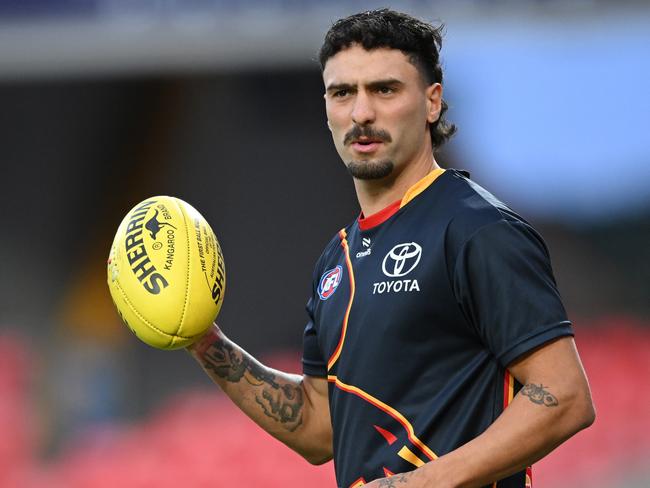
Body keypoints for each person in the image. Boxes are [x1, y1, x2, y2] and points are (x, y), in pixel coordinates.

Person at [187, 8, 595, 488]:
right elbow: (320, 429)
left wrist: (419, 483)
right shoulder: (335, 259)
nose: (361, 113)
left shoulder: (477, 229)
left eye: (384, 89)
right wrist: (200, 337)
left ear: (432, 102)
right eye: (343, 93)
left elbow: (565, 395)